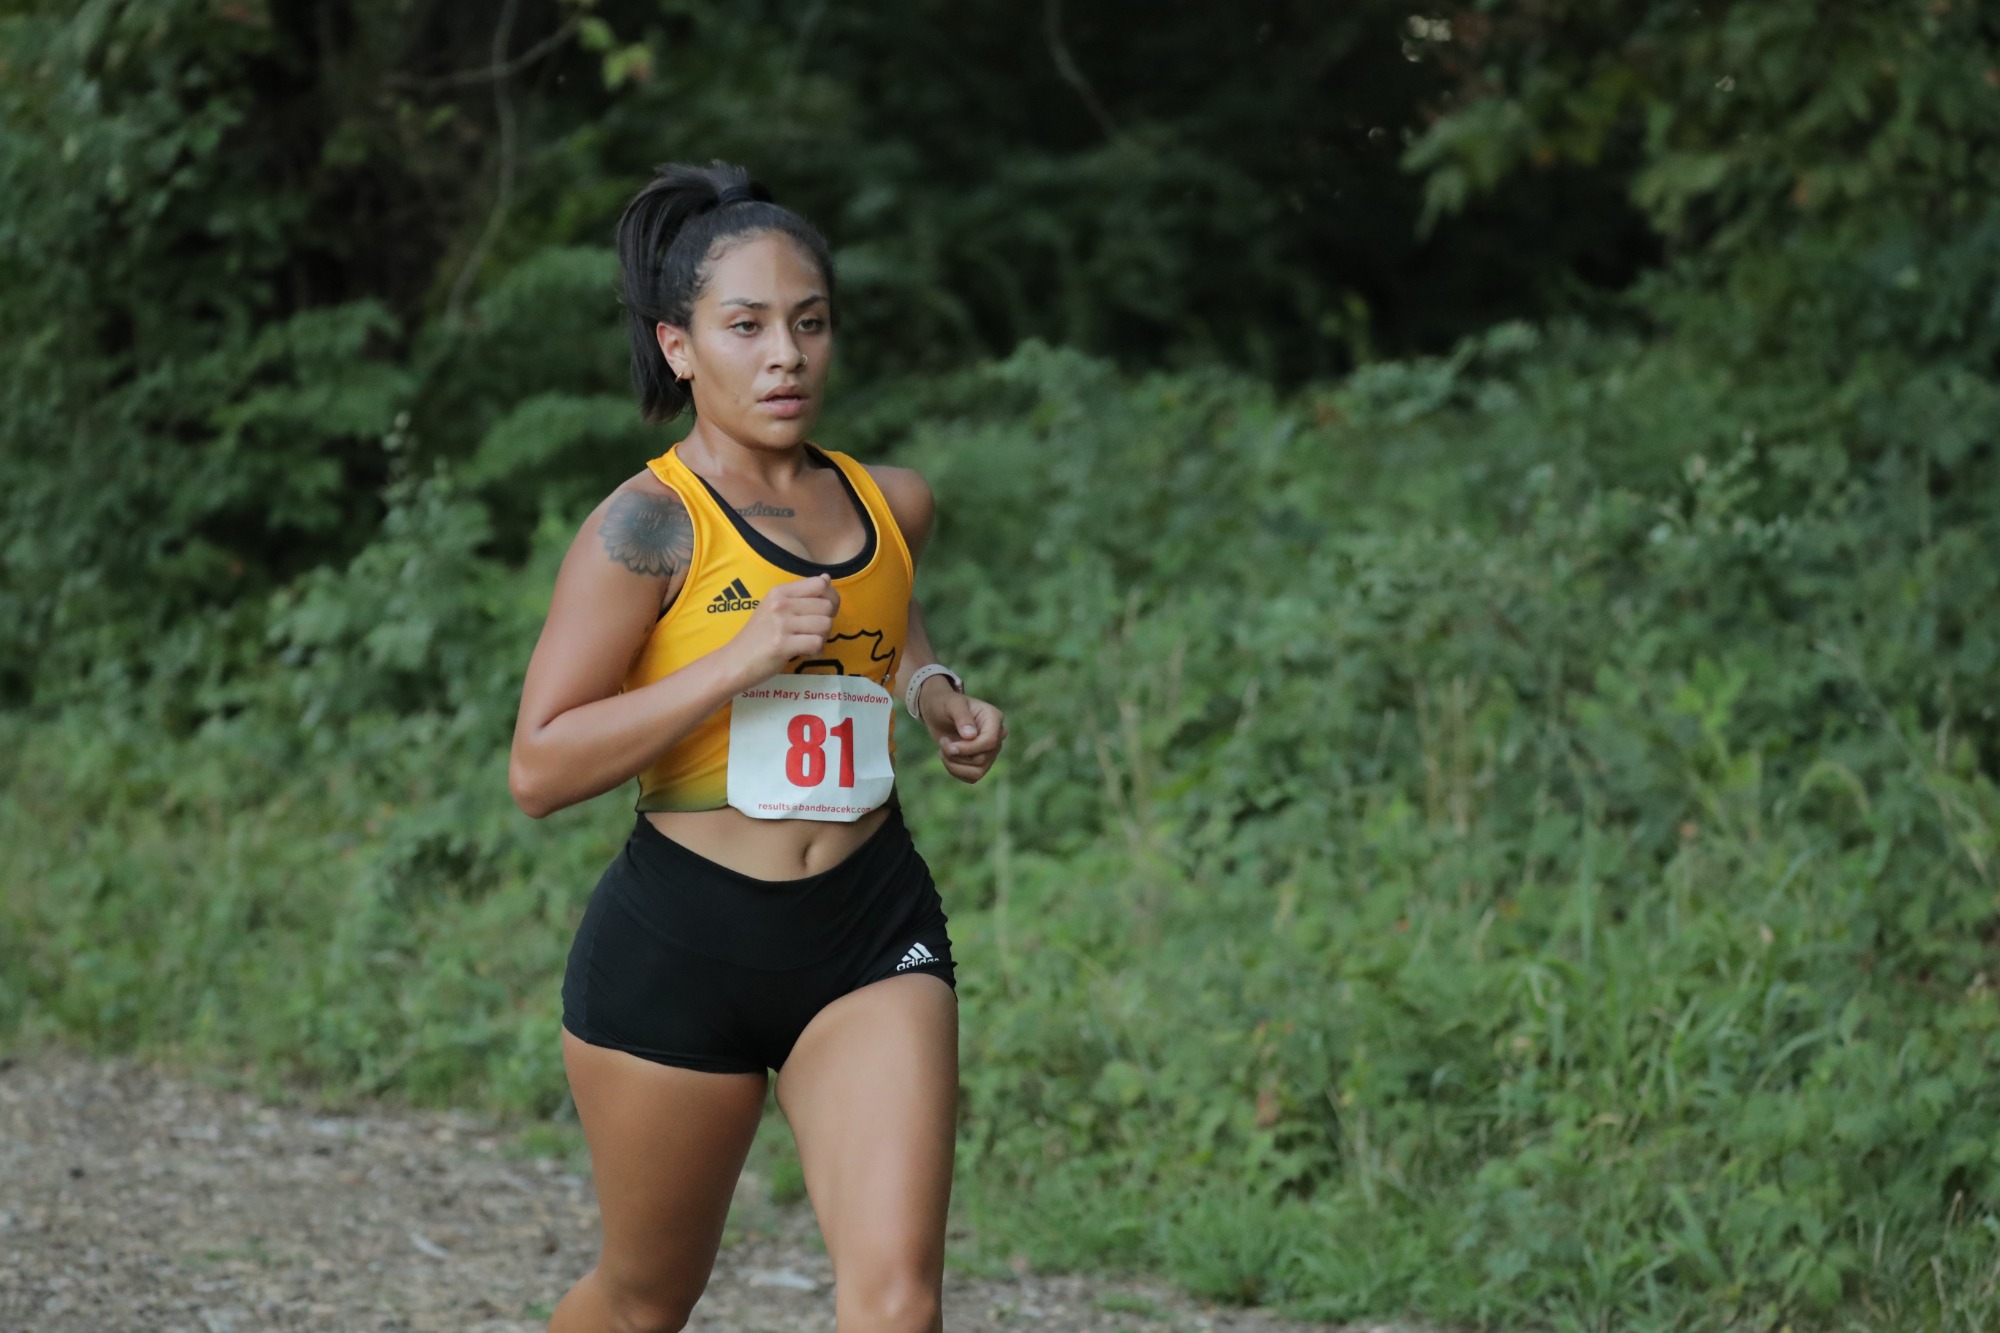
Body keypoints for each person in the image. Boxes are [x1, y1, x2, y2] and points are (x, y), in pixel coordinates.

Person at [507, 162, 1006, 1333]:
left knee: (898, 1303)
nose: (785, 355)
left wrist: (932, 690)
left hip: (867, 927)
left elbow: (884, 612)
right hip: (682, 943)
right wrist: (733, 662)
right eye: (746, 327)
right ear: (678, 347)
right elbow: (538, 768)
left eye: (808, 323)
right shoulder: (646, 526)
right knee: (643, 1300)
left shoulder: (890, 501)